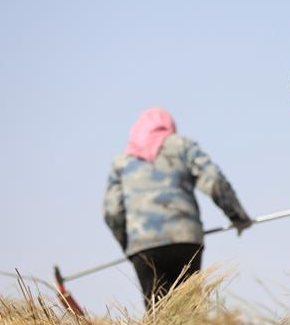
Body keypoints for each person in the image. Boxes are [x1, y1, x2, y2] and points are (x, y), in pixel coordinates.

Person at [103, 107, 252, 310]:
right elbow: (214, 180)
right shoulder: (182, 146)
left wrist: (128, 245)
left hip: (144, 246)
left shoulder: (122, 162)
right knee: (189, 312)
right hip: (185, 240)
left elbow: (112, 211)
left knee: (159, 315)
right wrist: (237, 216)